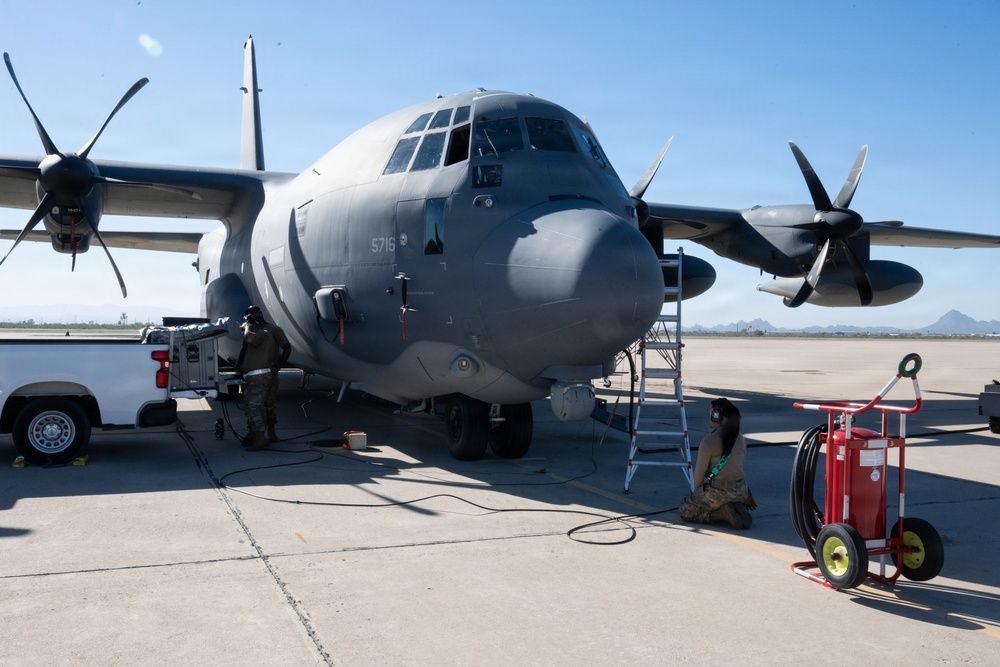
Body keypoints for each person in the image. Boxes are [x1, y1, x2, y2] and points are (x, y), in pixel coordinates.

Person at [679, 398, 754, 530]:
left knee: (686, 511)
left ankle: (722, 513)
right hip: (742, 490)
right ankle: (736, 506)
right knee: (727, 495)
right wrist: (745, 493)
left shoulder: (709, 442)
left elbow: (698, 478)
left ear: (715, 416)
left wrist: (696, 498)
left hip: (721, 491)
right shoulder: (740, 437)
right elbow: (737, 466)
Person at [236, 305, 292, 450]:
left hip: (267, 371)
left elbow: (287, 348)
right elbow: (245, 349)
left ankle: (269, 432)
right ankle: (254, 432)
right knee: (254, 404)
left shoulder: (270, 331)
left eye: (254, 314)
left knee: (268, 403)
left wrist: (278, 365)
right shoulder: (254, 332)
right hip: (257, 372)